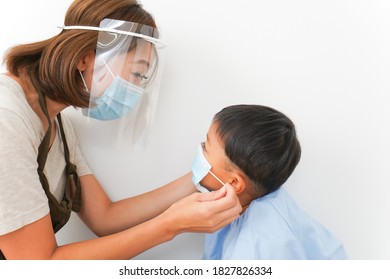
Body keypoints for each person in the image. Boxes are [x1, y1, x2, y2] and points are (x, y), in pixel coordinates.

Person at [0, 0, 242, 260]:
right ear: (84, 58)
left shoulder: (60, 125)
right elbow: (37, 265)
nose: (135, 90)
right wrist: (172, 224)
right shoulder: (8, 119)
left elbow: (105, 217)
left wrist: (202, 175)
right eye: (136, 74)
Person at [191, 104, 347, 259]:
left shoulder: (260, 244)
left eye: (206, 147)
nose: (200, 150)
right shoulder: (247, 197)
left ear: (235, 183)